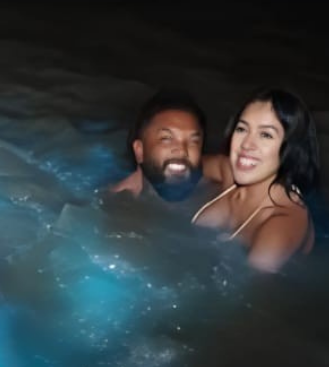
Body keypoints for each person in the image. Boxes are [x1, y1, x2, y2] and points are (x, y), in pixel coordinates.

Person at [191, 87, 321, 273]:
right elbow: (184, 165)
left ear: (290, 148)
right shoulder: (230, 174)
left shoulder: (280, 226)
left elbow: (253, 288)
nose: (247, 144)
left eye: (266, 134)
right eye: (242, 129)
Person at [108, 87, 208, 204]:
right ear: (140, 151)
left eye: (193, 141)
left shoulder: (214, 188)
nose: (182, 150)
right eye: (166, 138)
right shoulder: (115, 202)